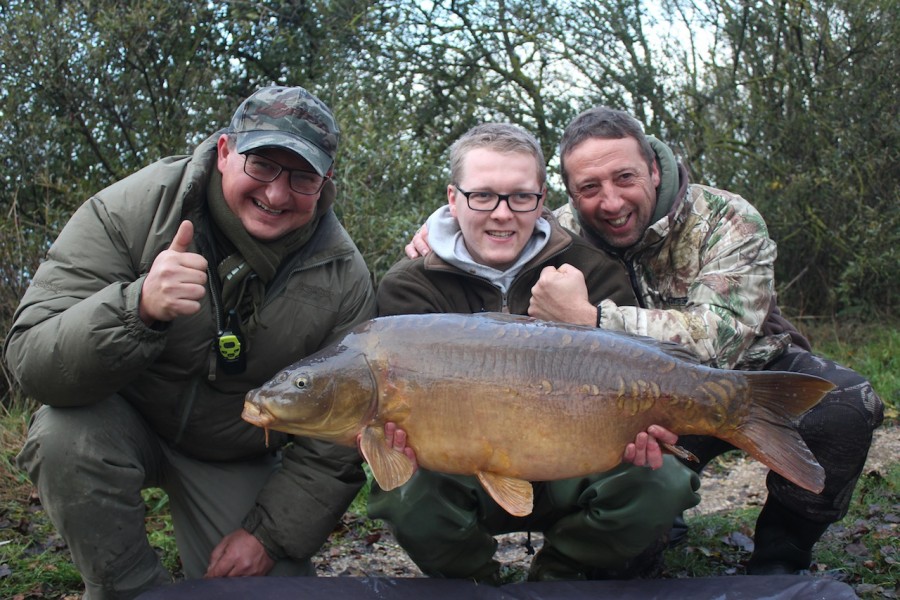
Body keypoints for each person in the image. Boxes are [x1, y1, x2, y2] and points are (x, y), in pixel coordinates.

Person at [5, 86, 388, 599]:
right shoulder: (129, 211)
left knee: (268, 590)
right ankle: (132, 591)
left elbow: (336, 437)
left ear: (325, 183)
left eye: (301, 177)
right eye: (262, 166)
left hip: (237, 452)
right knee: (62, 437)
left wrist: (267, 536)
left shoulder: (344, 275)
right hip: (124, 422)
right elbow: (30, 362)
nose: (277, 194)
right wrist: (136, 308)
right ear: (226, 152)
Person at [525, 107, 885, 574]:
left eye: (625, 178)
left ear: (655, 169)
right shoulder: (559, 233)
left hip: (749, 372)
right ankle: (656, 519)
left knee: (845, 406)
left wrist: (594, 320)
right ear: (572, 194)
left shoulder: (726, 217)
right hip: (630, 400)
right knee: (624, 565)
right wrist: (442, 228)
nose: (611, 202)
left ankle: (783, 554)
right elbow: (492, 228)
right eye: (589, 188)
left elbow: (717, 342)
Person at [370, 122, 701, 585]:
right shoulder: (410, 286)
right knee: (404, 487)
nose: (502, 214)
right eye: (482, 196)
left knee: (660, 481)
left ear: (542, 200)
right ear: (452, 198)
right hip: (465, 468)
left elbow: (633, 365)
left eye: (520, 197)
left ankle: (560, 578)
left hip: (577, 458)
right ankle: (479, 585)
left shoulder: (593, 270)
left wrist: (643, 425)